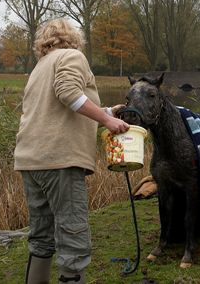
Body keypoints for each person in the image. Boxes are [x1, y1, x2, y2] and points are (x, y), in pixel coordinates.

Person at [14, 18, 130, 284]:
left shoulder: (40, 66)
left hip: (31, 161)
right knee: (73, 235)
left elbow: (59, 106)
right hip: (60, 160)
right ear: (73, 39)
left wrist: (107, 112)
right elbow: (67, 92)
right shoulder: (72, 56)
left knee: (41, 236)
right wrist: (107, 122)